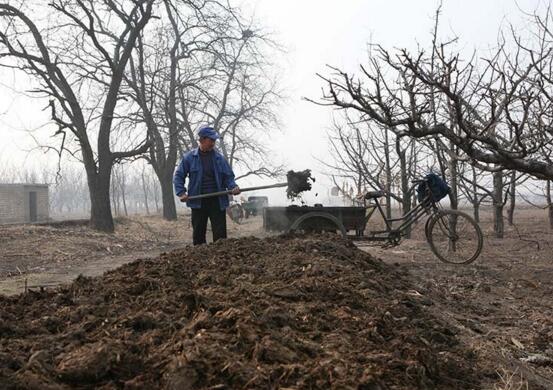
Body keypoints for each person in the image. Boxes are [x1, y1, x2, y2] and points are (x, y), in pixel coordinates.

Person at [173, 126, 240, 245]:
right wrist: (181, 193)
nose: (213, 143)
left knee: (220, 238)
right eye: (211, 140)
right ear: (202, 140)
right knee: (198, 236)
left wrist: (232, 187)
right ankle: (199, 261)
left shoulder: (219, 159)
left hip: (217, 201)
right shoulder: (189, 158)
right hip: (198, 201)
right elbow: (178, 176)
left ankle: (221, 259)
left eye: (214, 141)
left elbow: (228, 177)